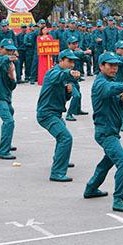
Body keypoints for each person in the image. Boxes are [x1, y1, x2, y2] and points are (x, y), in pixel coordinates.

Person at [83, 52, 123, 212]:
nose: (114, 68)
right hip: (105, 132)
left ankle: (91, 188)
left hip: (112, 130)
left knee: (108, 161)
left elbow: (116, 105)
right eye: (110, 65)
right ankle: (119, 199)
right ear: (101, 66)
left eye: (116, 66)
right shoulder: (101, 83)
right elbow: (108, 90)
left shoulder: (111, 81)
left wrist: (122, 101)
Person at [37, 49, 80, 181]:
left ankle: (60, 159)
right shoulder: (53, 73)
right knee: (66, 138)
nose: (71, 64)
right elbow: (59, 76)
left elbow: (64, 98)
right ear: (60, 61)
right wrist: (69, 73)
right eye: (69, 61)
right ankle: (57, 173)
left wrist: (68, 92)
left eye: (73, 62)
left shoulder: (65, 77)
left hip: (56, 113)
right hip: (46, 114)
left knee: (62, 136)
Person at [0, 39, 19, 160]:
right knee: (9, 121)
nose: (9, 52)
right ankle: (3, 151)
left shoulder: (10, 64)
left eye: (11, 50)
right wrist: (10, 58)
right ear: (0, 49)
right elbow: (1, 59)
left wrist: (11, 76)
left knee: (10, 116)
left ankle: (6, 143)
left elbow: (12, 86)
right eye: (7, 50)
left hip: (6, 97)